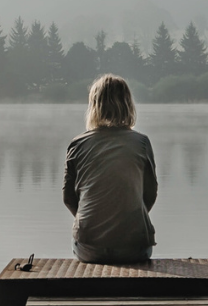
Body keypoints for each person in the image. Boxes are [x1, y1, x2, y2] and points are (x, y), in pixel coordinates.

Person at [62, 74, 158, 263]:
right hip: (136, 248)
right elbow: (150, 194)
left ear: (94, 105)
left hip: (90, 248)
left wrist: (92, 223)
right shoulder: (141, 143)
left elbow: (69, 199)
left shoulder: (77, 144)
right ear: (127, 104)